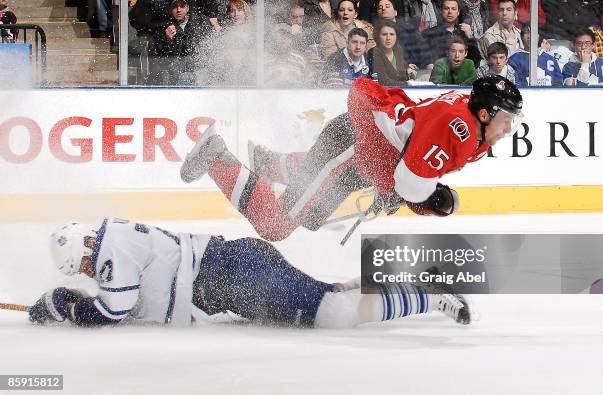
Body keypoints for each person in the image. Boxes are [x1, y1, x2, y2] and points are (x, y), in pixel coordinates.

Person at [180, 75, 523, 242]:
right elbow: (410, 180)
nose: (509, 129)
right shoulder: (458, 128)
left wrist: (398, 189)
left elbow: (408, 162)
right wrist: (417, 198)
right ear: (485, 113)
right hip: (353, 147)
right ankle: (216, 158)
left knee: (312, 216)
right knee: (278, 226)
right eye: (506, 119)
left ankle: (270, 163)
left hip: (362, 153)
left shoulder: (471, 126)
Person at [28, 219, 472, 328]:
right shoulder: (114, 237)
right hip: (234, 274)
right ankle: (408, 274)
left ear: (86, 246)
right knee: (326, 296)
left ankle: (430, 294)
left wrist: (63, 307)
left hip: (232, 276)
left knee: (333, 313)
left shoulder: (108, 250)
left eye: (84, 267)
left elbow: (113, 310)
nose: (90, 271)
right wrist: (73, 299)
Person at [147, 0, 213, 86]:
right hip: (174, 75)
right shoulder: (163, 27)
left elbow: (211, 48)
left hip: (198, 71)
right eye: (175, 7)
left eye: (182, 6)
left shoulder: (201, 21)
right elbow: (161, 60)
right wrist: (168, 41)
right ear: (170, 9)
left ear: (187, 8)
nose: (178, 10)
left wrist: (205, 43)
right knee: (182, 77)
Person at [422, 0, 481, 68]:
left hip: (461, 75)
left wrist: (470, 37)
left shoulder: (464, 33)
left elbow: (476, 62)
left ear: (458, 12)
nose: (450, 12)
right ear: (441, 11)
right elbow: (422, 60)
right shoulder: (429, 34)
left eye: (453, 9)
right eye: (446, 8)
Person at [368, 20, 418, 86]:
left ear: (396, 36)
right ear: (378, 36)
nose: (388, 38)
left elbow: (398, 73)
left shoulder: (398, 51)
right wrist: (407, 83)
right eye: (384, 34)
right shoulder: (374, 53)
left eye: (392, 34)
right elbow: (383, 82)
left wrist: (408, 70)